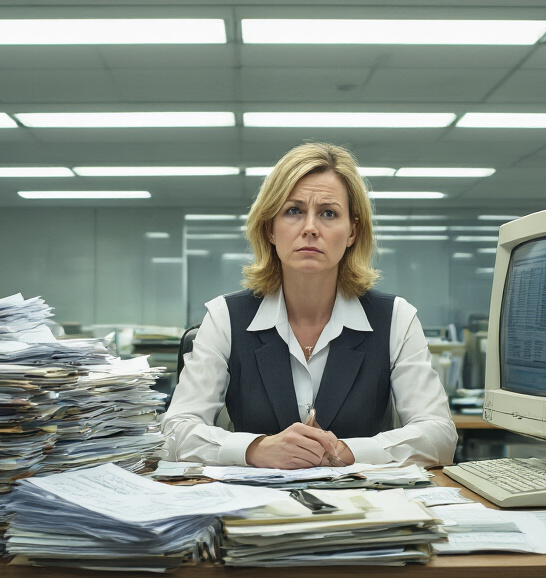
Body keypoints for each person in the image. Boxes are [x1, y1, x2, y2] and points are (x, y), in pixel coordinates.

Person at [161, 142, 458, 469]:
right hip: (257, 510)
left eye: (329, 213)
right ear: (270, 229)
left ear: (352, 233)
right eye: (293, 211)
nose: (311, 228)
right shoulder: (225, 318)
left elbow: (439, 436)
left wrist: (343, 451)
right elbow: (175, 432)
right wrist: (258, 449)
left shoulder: (396, 319)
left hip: (363, 508)